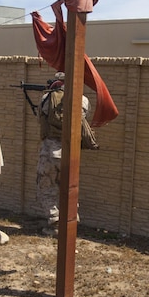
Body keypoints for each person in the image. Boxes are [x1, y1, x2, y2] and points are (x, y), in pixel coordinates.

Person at [36, 73, 98, 235]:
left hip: (49, 151)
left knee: (47, 187)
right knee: (69, 187)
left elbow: (40, 118)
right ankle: (70, 223)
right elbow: (82, 120)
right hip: (71, 152)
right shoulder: (83, 100)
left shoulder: (46, 98)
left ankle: (55, 225)